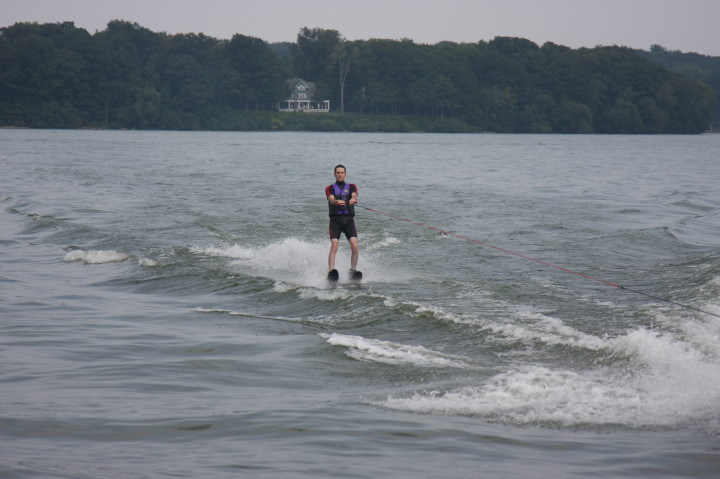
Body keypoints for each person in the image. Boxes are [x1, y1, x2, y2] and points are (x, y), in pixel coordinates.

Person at [325, 164, 361, 280]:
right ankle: (331, 272)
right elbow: (330, 199)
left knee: (355, 245)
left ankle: (353, 270)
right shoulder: (329, 188)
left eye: (342, 172)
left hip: (348, 221)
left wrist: (352, 199)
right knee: (334, 245)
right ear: (334, 174)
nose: (340, 174)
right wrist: (336, 201)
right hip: (335, 221)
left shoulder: (352, 187)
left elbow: (354, 196)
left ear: (345, 174)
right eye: (338, 172)